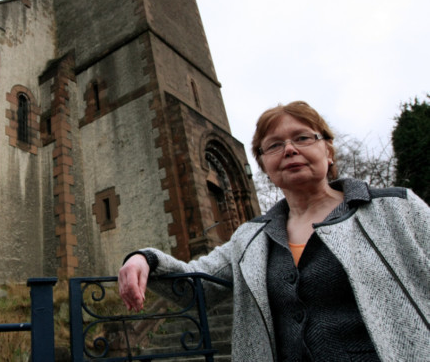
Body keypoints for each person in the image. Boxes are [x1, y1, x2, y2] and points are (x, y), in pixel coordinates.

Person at [118, 101, 429, 361]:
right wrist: (145, 259)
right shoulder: (251, 237)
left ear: (329, 151)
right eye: (274, 146)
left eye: (303, 138)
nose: (289, 150)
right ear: (264, 166)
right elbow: (198, 284)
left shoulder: (396, 209)